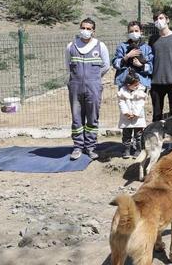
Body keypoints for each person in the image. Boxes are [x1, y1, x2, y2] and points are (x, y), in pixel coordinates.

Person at [65, 18, 111, 160]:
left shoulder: (100, 46)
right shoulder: (71, 46)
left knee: (92, 117)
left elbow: (106, 65)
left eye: (88, 28)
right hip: (75, 86)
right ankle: (78, 147)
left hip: (93, 86)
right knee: (77, 118)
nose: (85, 31)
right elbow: (68, 65)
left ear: (93, 31)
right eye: (83, 28)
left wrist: (94, 77)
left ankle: (90, 147)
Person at [149, 11, 172, 122]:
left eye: (161, 18)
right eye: (156, 19)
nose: (158, 21)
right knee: (156, 116)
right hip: (156, 83)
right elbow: (150, 60)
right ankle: (155, 138)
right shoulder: (152, 39)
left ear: (167, 20)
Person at [112, 21, 153, 88]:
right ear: (128, 33)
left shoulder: (147, 48)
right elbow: (115, 64)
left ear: (141, 31)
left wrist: (141, 66)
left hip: (141, 83)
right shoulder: (122, 47)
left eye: (136, 31)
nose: (134, 33)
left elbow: (151, 68)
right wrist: (127, 56)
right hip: (124, 82)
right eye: (131, 31)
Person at [117, 72, 147, 158]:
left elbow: (141, 103)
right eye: (135, 85)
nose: (137, 86)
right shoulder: (122, 92)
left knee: (138, 135)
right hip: (126, 118)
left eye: (138, 84)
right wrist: (126, 112)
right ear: (128, 85)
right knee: (126, 135)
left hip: (138, 118)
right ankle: (126, 150)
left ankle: (138, 150)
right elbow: (121, 102)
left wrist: (135, 114)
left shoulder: (141, 91)